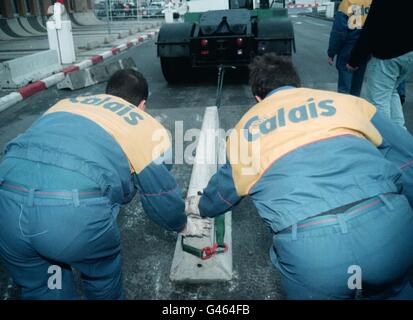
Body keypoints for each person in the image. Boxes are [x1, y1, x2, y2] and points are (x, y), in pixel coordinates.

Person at [186, 54, 413, 300]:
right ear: (297, 85)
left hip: (314, 253)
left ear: (258, 98)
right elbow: (406, 157)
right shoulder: (346, 102)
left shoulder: (244, 130)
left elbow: (223, 193)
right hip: (389, 233)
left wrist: (201, 208)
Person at [0, 69, 211, 300]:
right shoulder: (144, 124)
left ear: (107, 94)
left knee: (45, 287)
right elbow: (159, 194)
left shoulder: (65, 104)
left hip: (7, 202)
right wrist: (183, 225)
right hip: (70, 215)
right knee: (101, 278)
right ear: (142, 105)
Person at [347, 0, 413, 128]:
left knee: (378, 102)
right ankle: (400, 136)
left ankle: (386, 141)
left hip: (388, 55)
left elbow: (371, 28)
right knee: (391, 91)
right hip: (409, 54)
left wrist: (354, 60)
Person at [327, 0, 372, 97]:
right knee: (356, 89)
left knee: (344, 91)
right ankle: (355, 108)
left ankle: (345, 109)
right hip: (365, 49)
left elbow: (338, 32)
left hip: (348, 49)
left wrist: (331, 53)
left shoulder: (347, 2)